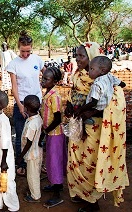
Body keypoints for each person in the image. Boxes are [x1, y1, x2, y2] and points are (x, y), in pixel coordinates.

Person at [65, 42, 129, 211]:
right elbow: (74, 94)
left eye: (81, 56)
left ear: (92, 57)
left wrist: (91, 113)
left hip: (96, 131)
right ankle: (81, 192)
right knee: (77, 161)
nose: (77, 59)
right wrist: (69, 105)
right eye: (76, 55)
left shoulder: (106, 81)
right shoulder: (78, 76)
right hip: (78, 126)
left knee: (90, 163)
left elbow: (114, 105)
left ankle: (93, 202)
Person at [6, 31, 46, 176]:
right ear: (18, 48)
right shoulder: (13, 64)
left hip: (37, 103)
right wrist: (20, 105)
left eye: (28, 51)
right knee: (21, 134)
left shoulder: (36, 59)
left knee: (38, 133)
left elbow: (46, 73)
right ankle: (21, 163)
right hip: (22, 103)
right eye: (23, 51)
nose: (25, 54)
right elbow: (14, 87)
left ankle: (38, 162)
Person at [74, 56, 126, 139]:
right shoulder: (110, 76)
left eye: (92, 69)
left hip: (97, 106)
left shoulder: (97, 84)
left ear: (102, 71)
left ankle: (83, 133)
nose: (89, 72)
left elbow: (94, 102)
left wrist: (81, 109)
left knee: (80, 114)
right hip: (107, 106)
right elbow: (122, 84)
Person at [40, 67, 67, 208]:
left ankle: (57, 195)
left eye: (46, 79)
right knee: (51, 160)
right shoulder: (48, 93)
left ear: (55, 81)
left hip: (55, 134)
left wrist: (46, 130)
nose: (43, 80)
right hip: (51, 133)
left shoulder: (55, 96)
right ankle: (56, 185)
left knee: (55, 161)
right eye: (43, 77)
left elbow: (57, 118)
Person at [16, 95, 43, 203]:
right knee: (35, 173)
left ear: (26, 108)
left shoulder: (32, 124)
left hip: (32, 154)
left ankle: (35, 196)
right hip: (37, 151)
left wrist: (20, 156)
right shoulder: (38, 118)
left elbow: (29, 142)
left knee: (32, 176)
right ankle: (34, 190)